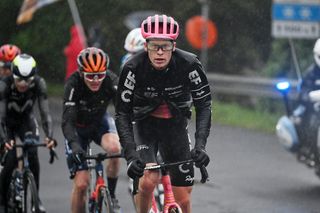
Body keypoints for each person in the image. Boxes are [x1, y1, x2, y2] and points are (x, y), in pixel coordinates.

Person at [115, 14, 212, 213]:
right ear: (145, 46)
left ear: (173, 46)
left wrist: (201, 145)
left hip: (175, 127)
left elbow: (203, 106)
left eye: (165, 46)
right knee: (149, 181)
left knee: (183, 199)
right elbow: (122, 114)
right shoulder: (132, 67)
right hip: (144, 125)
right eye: (154, 46)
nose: (159, 52)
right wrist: (131, 156)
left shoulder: (190, 64)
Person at [61, 47, 122, 213]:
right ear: (81, 73)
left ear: (105, 72)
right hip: (77, 128)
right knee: (81, 184)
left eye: (100, 75)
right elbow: (67, 121)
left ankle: (113, 195)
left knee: (116, 148)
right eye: (90, 76)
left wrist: (131, 140)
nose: (95, 80)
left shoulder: (111, 80)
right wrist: (74, 145)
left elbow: (123, 113)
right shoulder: (73, 83)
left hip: (99, 123)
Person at [0, 53, 57, 213]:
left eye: (28, 80)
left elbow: (45, 113)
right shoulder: (4, 85)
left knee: (32, 154)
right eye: (19, 80)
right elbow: (0, 117)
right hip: (7, 124)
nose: (23, 84)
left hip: (26, 121)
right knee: (10, 161)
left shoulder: (39, 83)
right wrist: (4, 140)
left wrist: (50, 136)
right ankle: (3, 201)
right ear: (13, 75)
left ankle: (35, 199)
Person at [291, 38, 320, 168]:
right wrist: (306, 96)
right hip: (315, 108)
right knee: (306, 117)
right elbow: (302, 90)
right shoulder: (311, 73)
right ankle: (307, 147)